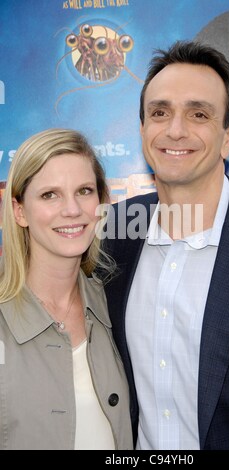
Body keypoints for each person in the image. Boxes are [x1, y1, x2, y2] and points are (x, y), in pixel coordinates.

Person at [99, 41, 229, 450]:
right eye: (159, 113)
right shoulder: (114, 231)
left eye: (198, 114)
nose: (175, 130)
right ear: (142, 132)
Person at [0, 128, 133, 450]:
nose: (72, 209)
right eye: (50, 195)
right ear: (19, 211)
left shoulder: (117, 303)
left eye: (85, 191)